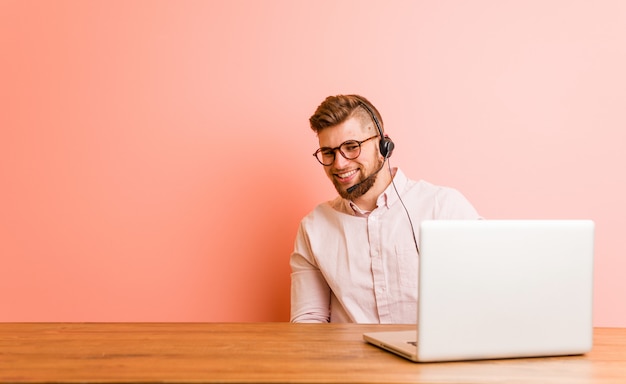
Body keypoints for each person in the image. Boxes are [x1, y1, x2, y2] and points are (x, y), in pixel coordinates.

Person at [290, 94, 481, 324]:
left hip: (432, 358)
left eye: (351, 147)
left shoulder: (444, 208)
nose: (339, 164)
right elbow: (309, 320)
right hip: (349, 359)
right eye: (329, 153)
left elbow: (487, 296)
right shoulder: (313, 228)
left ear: (384, 146)